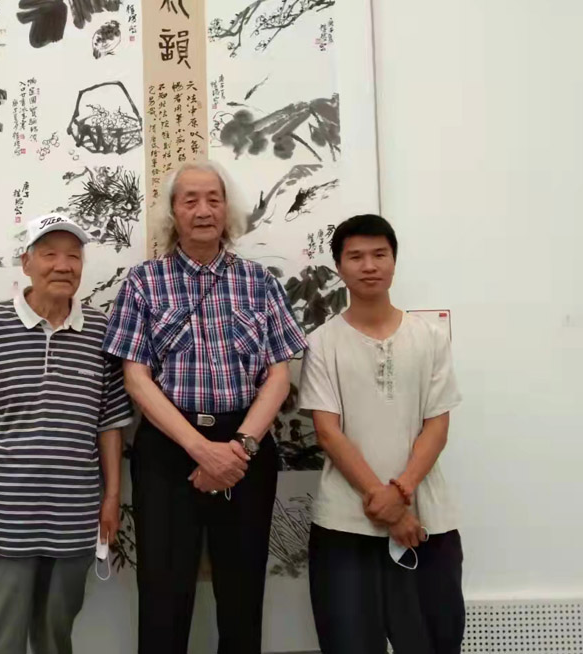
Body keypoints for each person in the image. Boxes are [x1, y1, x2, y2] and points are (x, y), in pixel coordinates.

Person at [103, 162, 307, 654]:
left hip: (245, 447)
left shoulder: (259, 281)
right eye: (190, 200)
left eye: (213, 199)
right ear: (173, 212)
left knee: (242, 592)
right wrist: (201, 450)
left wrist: (238, 448)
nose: (203, 210)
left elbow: (279, 376)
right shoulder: (144, 282)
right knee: (163, 593)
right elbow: (136, 379)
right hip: (168, 448)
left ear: (227, 209)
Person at [0, 213, 133, 654]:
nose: (63, 265)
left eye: (73, 256)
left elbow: (109, 425)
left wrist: (111, 498)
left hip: (72, 519)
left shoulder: (100, 331)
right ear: (27, 263)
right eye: (49, 254)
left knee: (55, 639)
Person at [299, 214, 465, 654]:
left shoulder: (430, 338)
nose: (369, 265)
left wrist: (402, 492)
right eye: (356, 256)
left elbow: (437, 424)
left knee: (435, 640)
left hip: (425, 520)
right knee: (348, 642)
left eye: (379, 254)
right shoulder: (322, 343)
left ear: (394, 260)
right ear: (339, 266)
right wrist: (386, 505)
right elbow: (328, 432)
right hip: (344, 522)